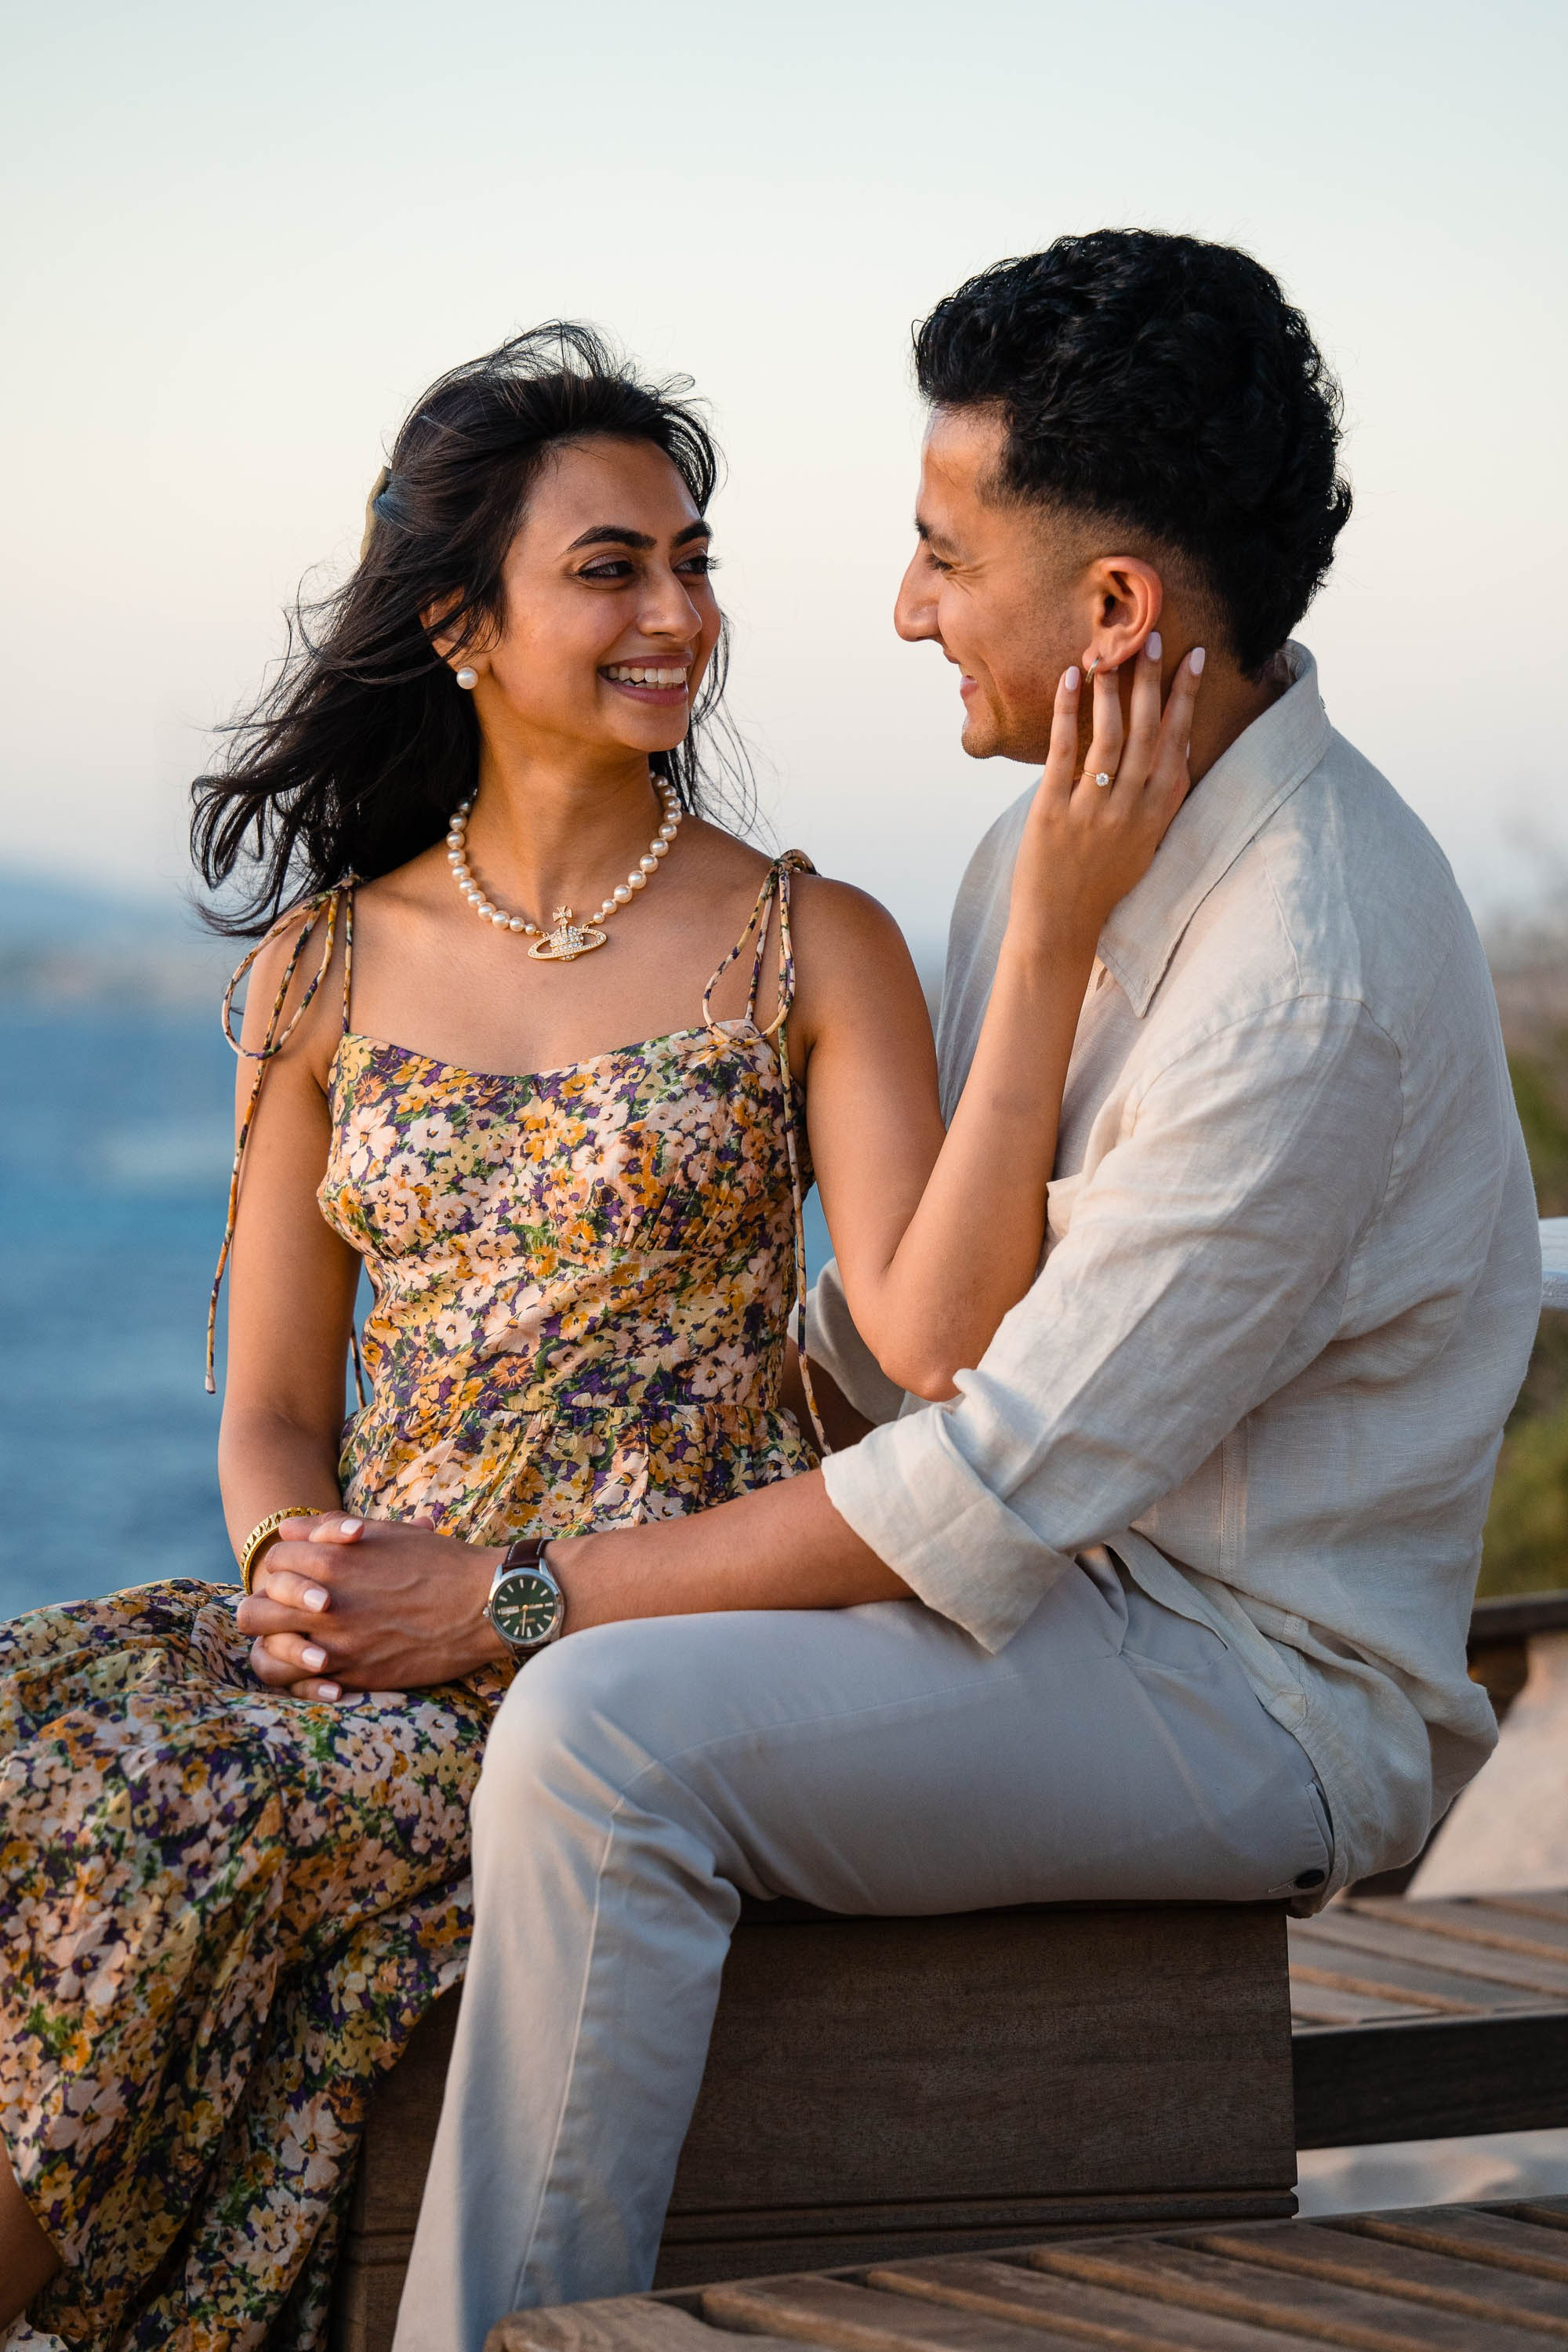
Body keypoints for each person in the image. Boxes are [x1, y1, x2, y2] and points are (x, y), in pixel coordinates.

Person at [302, 234, 1532, 2349]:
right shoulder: (1045, 852)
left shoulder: (1304, 975)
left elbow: (978, 1481)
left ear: (1115, 611)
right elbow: (915, 1338)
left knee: (601, 1735)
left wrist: (512, 1593)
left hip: (1252, 1680)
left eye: (944, 555)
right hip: (1067, 1587)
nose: (903, 607)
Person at [0, 319, 1193, 2347]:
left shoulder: (810, 941)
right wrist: (299, 1577)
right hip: (376, 1640)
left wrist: (1059, 937)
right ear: (458, 624)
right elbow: (275, 1407)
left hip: (643, 1654)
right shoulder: (319, 970)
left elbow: (935, 1343)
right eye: (612, 568)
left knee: (156, 1823)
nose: (677, 615)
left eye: (693, 563)